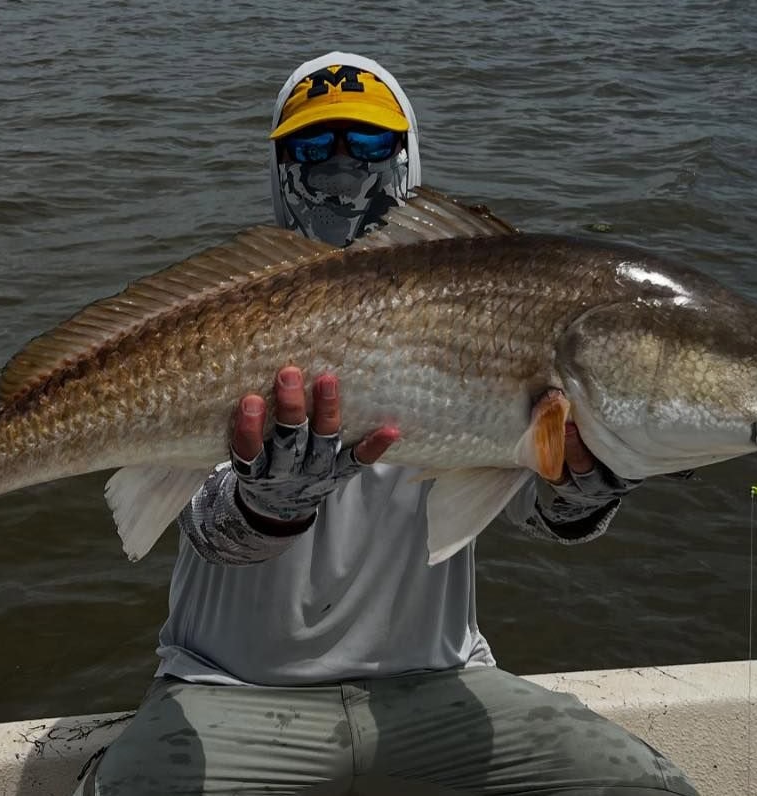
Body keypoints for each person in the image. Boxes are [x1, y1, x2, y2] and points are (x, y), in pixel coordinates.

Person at [77, 52, 699, 796]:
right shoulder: (227, 320)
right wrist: (265, 503)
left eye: (369, 147)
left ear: (407, 159)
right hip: (227, 691)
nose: (343, 174)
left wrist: (588, 486)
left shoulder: (494, 299)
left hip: (439, 685)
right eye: (313, 149)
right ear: (278, 168)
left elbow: (542, 516)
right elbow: (207, 533)